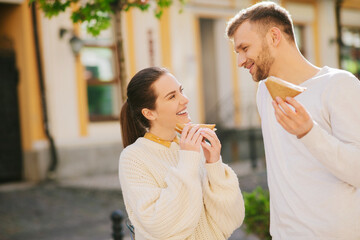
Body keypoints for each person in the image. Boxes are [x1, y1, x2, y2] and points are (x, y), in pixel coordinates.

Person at [226, 1, 360, 240]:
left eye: (245, 48)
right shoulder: (264, 92)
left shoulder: (339, 85)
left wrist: (309, 132)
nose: (240, 61)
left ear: (274, 36)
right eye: (238, 52)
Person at [118, 67, 245, 240]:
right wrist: (188, 162)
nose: (185, 100)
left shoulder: (193, 148)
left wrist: (214, 165)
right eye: (172, 96)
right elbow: (161, 227)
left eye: (181, 91)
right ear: (149, 113)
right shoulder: (133, 158)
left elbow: (231, 220)